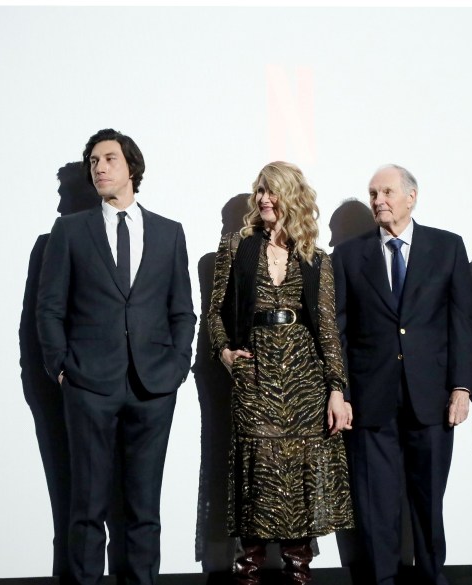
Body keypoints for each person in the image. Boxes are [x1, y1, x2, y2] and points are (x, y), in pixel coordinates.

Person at [36, 128, 196, 585]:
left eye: (108, 158)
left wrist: (177, 364)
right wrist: (62, 368)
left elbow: (182, 309)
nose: (99, 168)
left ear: (132, 167)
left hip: (153, 386)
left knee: (145, 506)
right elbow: (49, 307)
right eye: (93, 162)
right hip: (89, 385)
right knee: (87, 506)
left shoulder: (168, 232)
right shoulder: (69, 231)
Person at [207, 161, 354, 585]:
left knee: (301, 475)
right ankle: (248, 570)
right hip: (254, 376)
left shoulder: (316, 258)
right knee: (256, 472)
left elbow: (327, 329)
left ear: (292, 197)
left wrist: (336, 389)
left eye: (272, 191)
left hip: (305, 378)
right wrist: (225, 353)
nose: (264, 199)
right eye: (260, 192)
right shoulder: (238, 246)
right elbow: (215, 311)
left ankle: (298, 572)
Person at [332, 164, 472, 585]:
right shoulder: (348, 255)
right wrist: (339, 391)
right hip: (371, 402)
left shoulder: (447, 247)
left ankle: (434, 578)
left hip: (431, 399)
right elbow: (339, 330)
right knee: (377, 510)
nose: (379, 201)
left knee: (429, 504)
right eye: (373, 194)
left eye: (387, 192)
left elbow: (463, 324)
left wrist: (461, 387)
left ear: (411, 197)